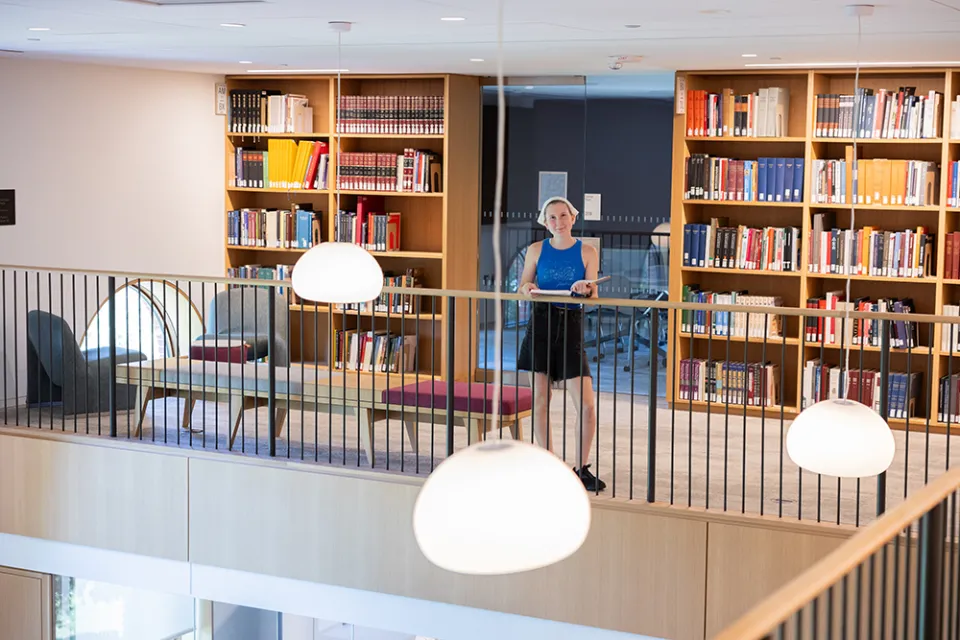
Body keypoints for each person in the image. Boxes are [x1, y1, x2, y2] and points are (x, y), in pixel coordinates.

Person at [516, 196, 605, 492]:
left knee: (587, 406)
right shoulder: (535, 250)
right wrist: (528, 288)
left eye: (563, 215)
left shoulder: (588, 252)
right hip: (540, 325)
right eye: (552, 217)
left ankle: (581, 468)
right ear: (545, 222)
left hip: (571, 326)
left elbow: (592, 299)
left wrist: (585, 289)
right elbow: (523, 285)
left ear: (573, 217)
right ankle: (548, 463)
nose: (559, 222)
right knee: (541, 401)